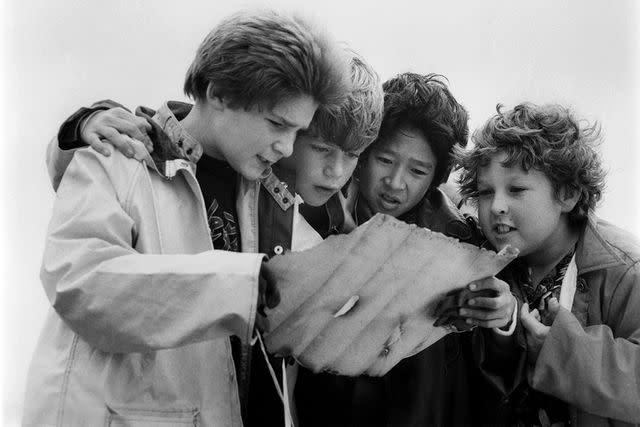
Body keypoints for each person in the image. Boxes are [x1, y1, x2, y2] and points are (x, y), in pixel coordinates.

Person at [23, 10, 351, 427]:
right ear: (219, 94)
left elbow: (333, 309)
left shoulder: (276, 205)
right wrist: (235, 285)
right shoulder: (117, 159)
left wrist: (432, 312)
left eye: (297, 132)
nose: (287, 147)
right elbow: (81, 283)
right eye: (276, 123)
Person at [295, 73, 518, 427]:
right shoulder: (310, 221)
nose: (395, 183)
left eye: (417, 170)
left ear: (436, 179)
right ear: (364, 153)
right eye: (385, 160)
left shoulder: (462, 246)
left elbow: (493, 376)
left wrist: (503, 317)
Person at [456, 102, 640, 426]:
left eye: (516, 189)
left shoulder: (625, 270)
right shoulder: (484, 265)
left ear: (567, 194)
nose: (497, 205)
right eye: (485, 192)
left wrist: (559, 351)